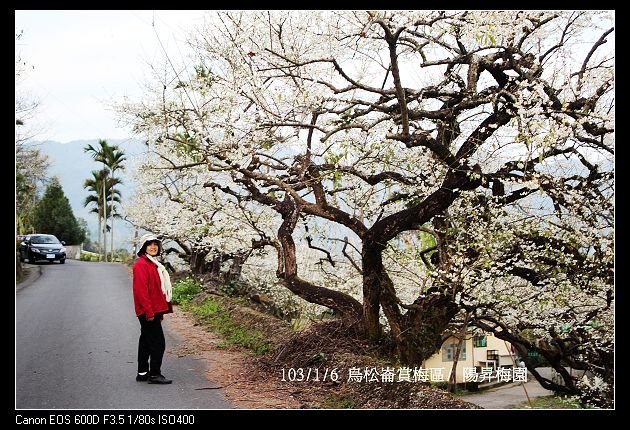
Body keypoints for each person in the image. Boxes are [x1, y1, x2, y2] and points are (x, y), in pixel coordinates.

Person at [132, 233, 173, 384]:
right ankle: (155, 374)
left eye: (155, 244)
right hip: (148, 311)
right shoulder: (141, 265)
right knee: (158, 342)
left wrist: (159, 311)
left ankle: (142, 373)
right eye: (149, 244)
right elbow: (141, 291)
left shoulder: (153, 264)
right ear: (143, 247)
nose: (153, 247)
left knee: (146, 341)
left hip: (153, 310)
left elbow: (156, 290)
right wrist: (149, 311)